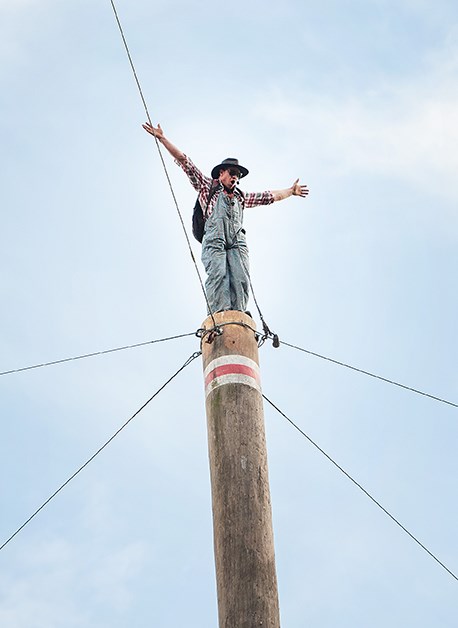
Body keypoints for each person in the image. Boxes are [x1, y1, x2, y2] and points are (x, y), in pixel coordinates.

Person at [143, 122, 309, 315]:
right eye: (232, 173)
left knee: (241, 277)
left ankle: (239, 315)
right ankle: (219, 315)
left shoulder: (241, 196)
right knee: (218, 275)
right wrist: (163, 138)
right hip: (215, 238)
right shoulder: (208, 187)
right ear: (221, 173)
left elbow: (268, 197)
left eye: (238, 176)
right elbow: (185, 162)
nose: (235, 178)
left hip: (237, 241)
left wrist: (291, 191)